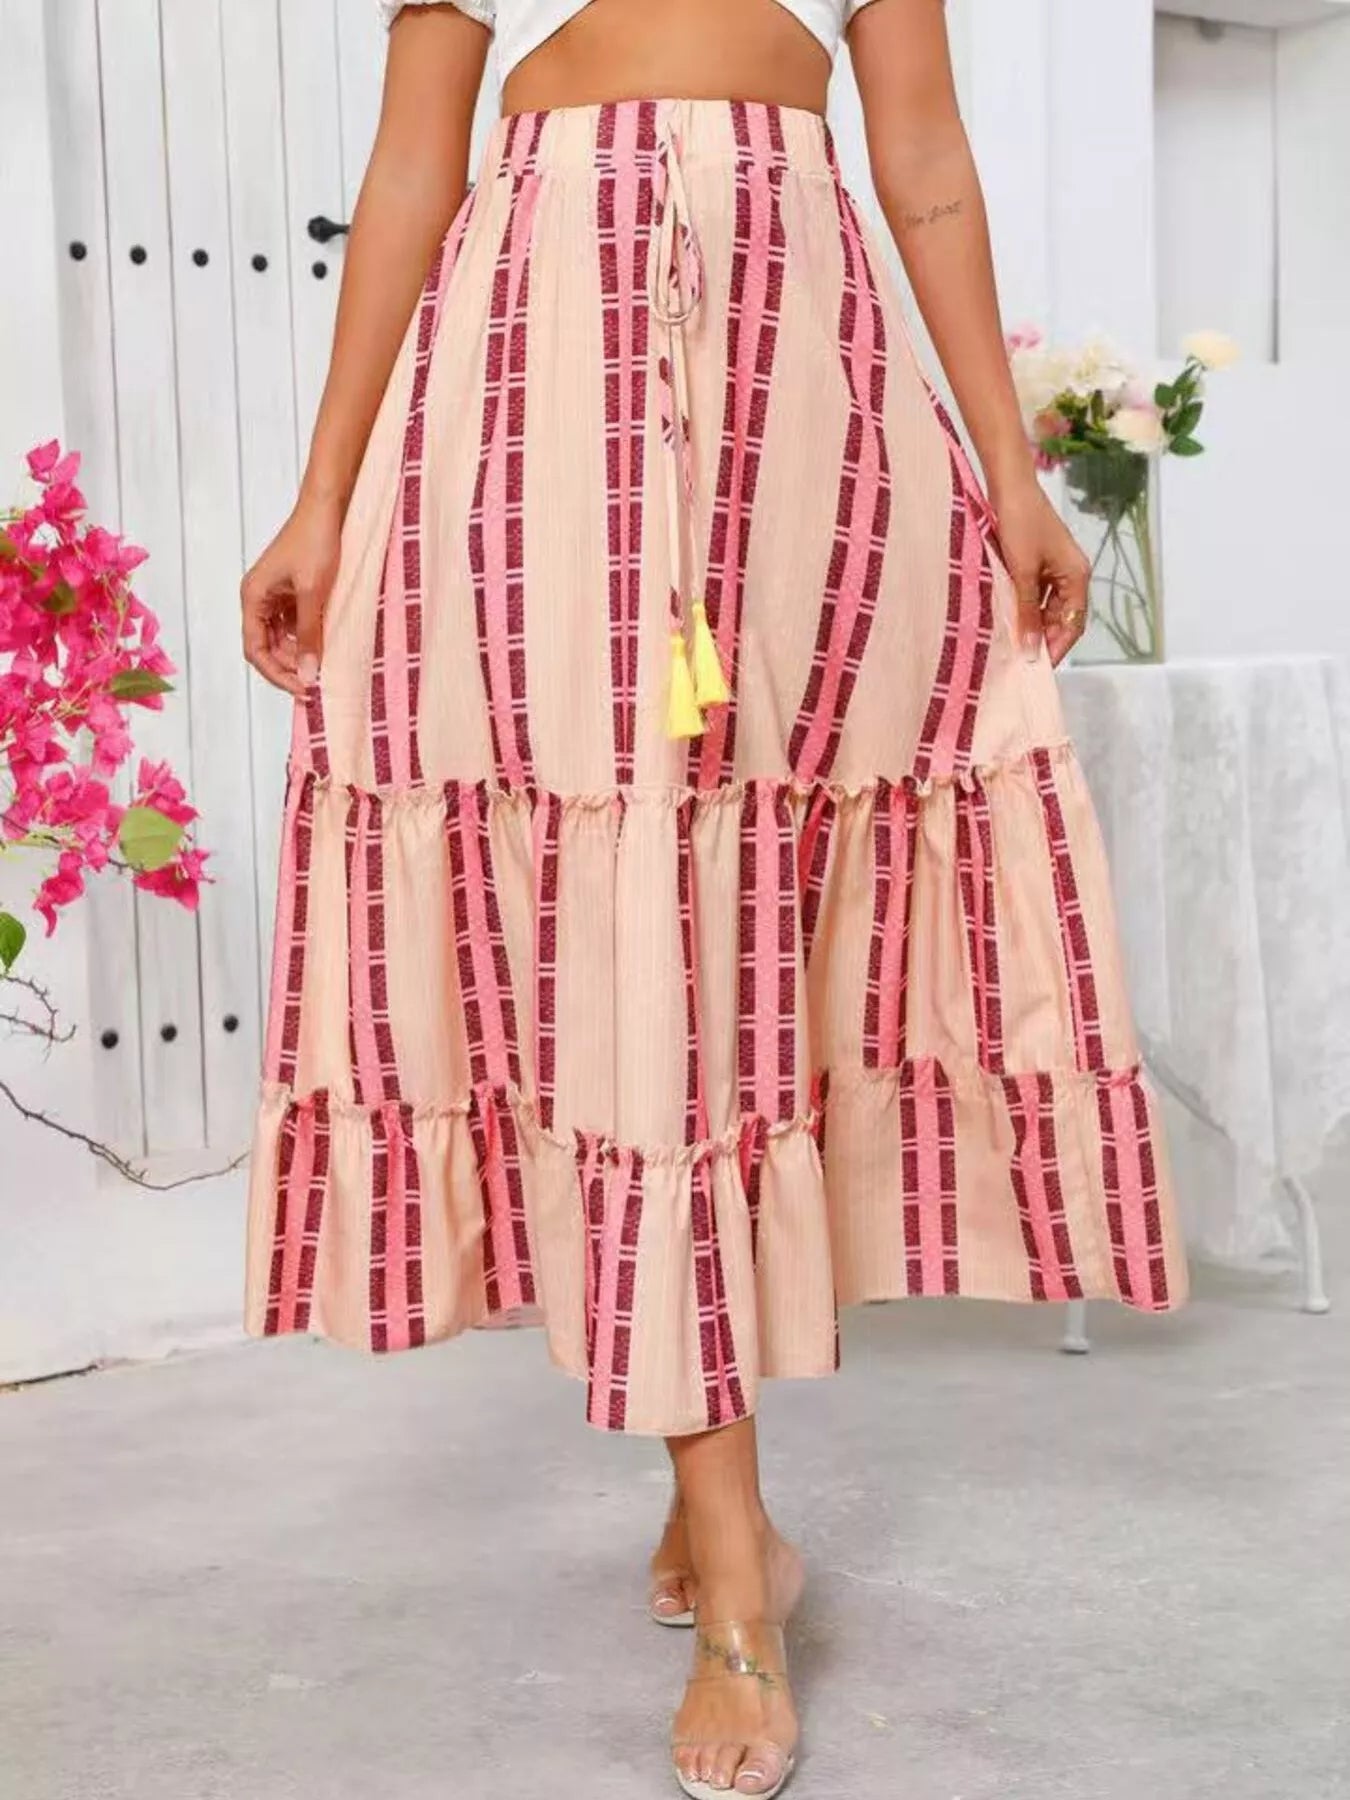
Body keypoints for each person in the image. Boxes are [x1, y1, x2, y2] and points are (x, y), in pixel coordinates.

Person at [239, 2, 1187, 1793]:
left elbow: (920, 160)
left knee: (751, 927)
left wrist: (1011, 471)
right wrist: (322, 495)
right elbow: (415, 165)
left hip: (799, 389)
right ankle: (737, 1559)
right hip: (538, 389)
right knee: (627, 926)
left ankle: (705, 1470)